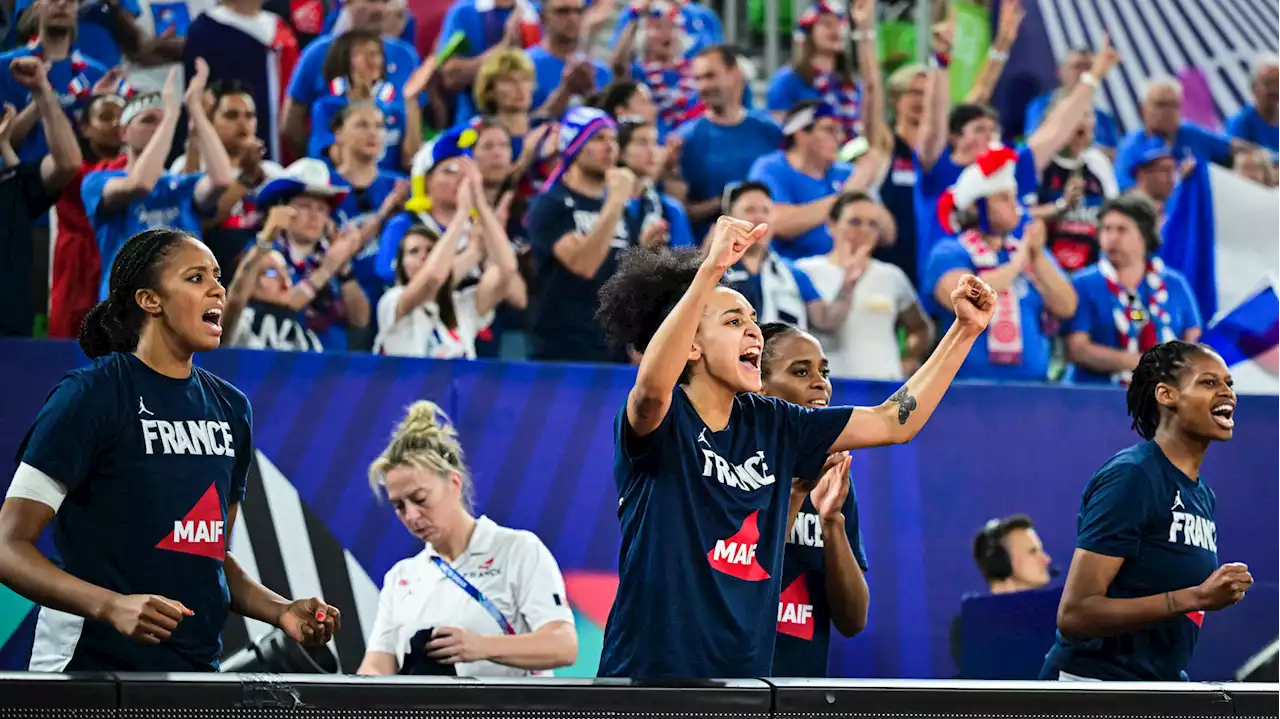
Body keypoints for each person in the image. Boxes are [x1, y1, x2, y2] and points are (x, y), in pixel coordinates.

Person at [593, 215, 997, 678]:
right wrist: (709, 271)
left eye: (752, 320)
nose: (753, 332)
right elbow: (649, 389)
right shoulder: (665, 417)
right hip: (649, 680)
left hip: (745, 684)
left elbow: (892, 422)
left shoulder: (776, 423)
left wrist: (964, 332)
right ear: (691, 346)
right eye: (732, 320)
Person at [0, 229, 338, 671]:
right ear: (149, 300)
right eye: (196, 278)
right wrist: (110, 606)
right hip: (87, 668)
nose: (218, 288)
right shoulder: (93, 394)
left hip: (195, 673)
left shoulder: (232, 409)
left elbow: (211, 555)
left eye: (218, 277)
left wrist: (280, 611)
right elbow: (8, 547)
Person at [1043, 341, 1251, 682]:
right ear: (1166, 395)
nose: (1228, 393)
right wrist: (1197, 596)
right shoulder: (1133, 476)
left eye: (1229, 383)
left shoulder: (1202, 495)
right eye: (1209, 382)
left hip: (1154, 688)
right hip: (1093, 687)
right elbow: (1075, 614)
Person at [356, 401, 577, 677]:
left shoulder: (519, 550)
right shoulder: (401, 577)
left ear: (454, 483)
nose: (411, 515)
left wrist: (480, 646)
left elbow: (563, 645)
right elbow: (378, 666)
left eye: (420, 498)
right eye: (399, 506)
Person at [758, 322, 868, 678]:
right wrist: (796, 491)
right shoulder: (728, 470)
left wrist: (832, 521)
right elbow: (740, 582)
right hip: (729, 684)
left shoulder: (832, 486)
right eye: (800, 371)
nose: (820, 382)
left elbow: (853, 621)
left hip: (799, 690)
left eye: (824, 371)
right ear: (758, 386)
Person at [971, 515, 1053, 594]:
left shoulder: (1055, 607)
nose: (1047, 559)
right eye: (1032, 551)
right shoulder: (978, 608)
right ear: (1001, 562)